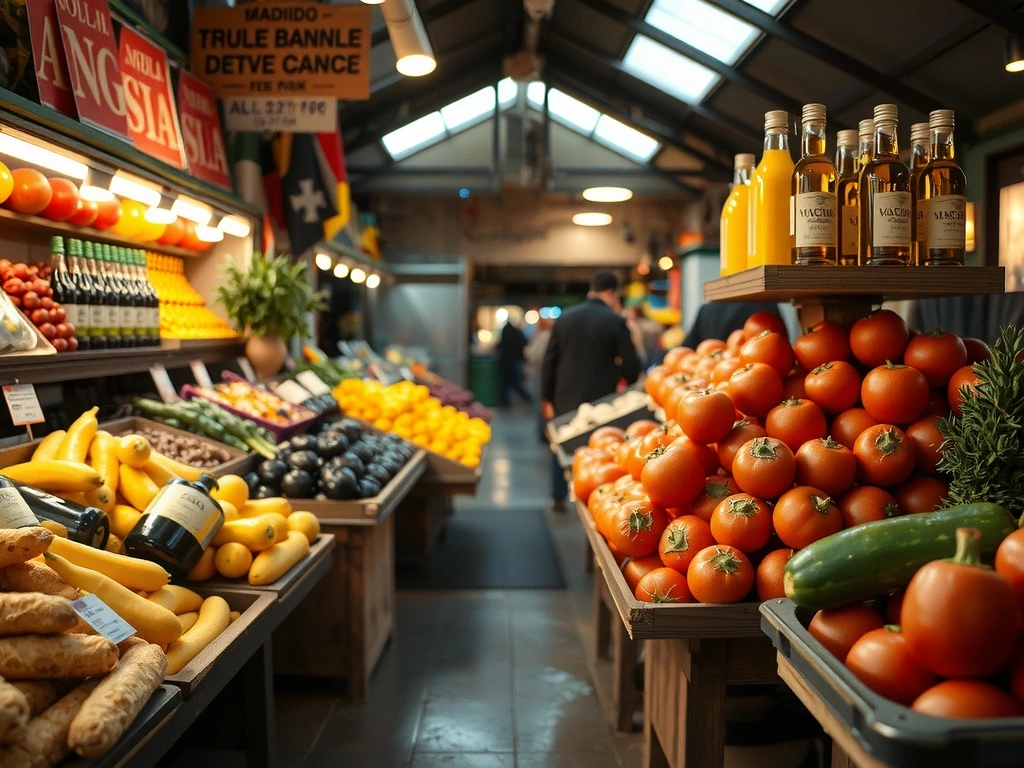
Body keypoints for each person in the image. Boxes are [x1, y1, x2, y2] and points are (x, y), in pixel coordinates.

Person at [541, 271, 642, 511]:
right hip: (601, 399)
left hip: (564, 395)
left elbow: (549, 361)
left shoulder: (564, 318)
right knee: (597, 449)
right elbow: (632, 365)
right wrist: (625, 379)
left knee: (563, 442)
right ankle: (593, 497)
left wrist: (546, 398)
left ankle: (558, 496)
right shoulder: (614, 321)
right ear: (611, 293)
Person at [497, 320, 532, 407]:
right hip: (514, 361)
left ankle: (528, 399)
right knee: (514, 383)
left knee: (512, 383)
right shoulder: (517, 333)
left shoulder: (509, 334)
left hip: (510, 362)